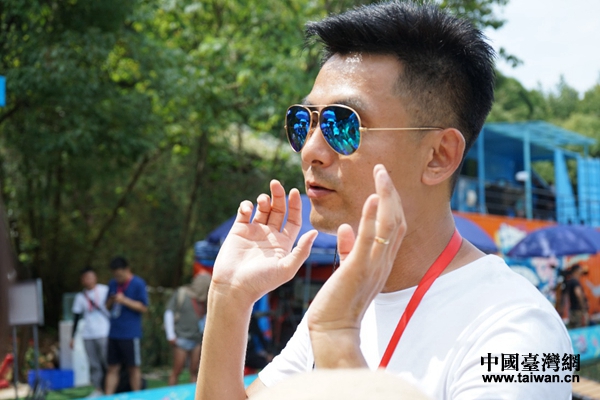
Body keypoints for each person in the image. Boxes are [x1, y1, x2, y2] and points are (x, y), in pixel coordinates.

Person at [196, 2, 573, 399]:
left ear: (438, 156)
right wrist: (229, 296)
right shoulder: (344, 303)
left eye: (343, 124)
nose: (310, 150)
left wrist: (339, 343)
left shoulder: (521, 329)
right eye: (304, 122)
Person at [104, 256, 148, 394]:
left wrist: (124, 300)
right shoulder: (112, 284)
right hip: (114, 332)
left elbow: (143, 307)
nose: (117, 278)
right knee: (112, 367)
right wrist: (112, 301)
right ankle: (108, 396)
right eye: (115, 275)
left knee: (133, 367)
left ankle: (137, 396)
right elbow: (107, 307)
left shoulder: (138, 283)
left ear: (127, 270)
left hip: (130, 333)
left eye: (120, 275)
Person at [70, 267, 110, 398]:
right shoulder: (80, 297)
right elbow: (76, 317)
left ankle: (111, 388)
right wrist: (72, 337)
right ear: (82, 280)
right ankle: (98, 389)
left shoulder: (105, 290)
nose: (88, 280)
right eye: (85, 278)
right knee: (94, 363)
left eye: (90, 277)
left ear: (95, 277)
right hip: (88, 334)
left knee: (107, 362)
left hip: (104, 332)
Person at [163, 274, 210, 385]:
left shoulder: (203, 299)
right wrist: (170, 335)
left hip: (196, 339)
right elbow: (169, 312)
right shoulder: (182, 293)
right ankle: (171, 392)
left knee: (194, 371)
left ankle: (194, 393)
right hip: (181, 338)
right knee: (177, 370)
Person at [565, 264, 589, 328]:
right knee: (579, 328)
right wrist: (583, 307)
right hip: (578, 311)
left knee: (574, 327)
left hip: (573, 310)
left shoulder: (570, 281)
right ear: (576, 271)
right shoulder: (575, 282)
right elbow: (578, 294)